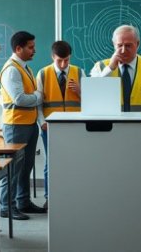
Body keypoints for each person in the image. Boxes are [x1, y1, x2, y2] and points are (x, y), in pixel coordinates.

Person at [90, 25, 141, 249]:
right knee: (109, 184)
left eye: (129, 45)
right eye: (119, 45)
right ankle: (113, 228)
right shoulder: (100, 67)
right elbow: (90, 96)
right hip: (109, 138)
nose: (124, 49)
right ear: (113, 45)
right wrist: (110, 67)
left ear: (138, 44)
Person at [0, 31, 45, 220]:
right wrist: (39, 96)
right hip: (15, 125)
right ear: (18, 48)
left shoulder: (26, 68)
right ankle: (6, 205)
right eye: (30, 47)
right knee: (13, 168)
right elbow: (19, 99)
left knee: (26, 166)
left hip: (28, 124)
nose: (34, 50)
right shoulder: (12, 69)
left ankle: (22, 201)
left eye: (33, 46)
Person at [36, 40, 84, 210]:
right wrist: (42, 123)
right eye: (59, 60)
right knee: (52, 163)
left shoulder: (79, 72)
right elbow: (38, 103)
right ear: (52, 57)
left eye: (67, 60)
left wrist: (81, 91)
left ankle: (75, 195)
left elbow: (92, 101)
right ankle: (50, 197)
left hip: (76, 126)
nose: (63, 64)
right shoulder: (43, 74)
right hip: (51, 127)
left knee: (76, 162)